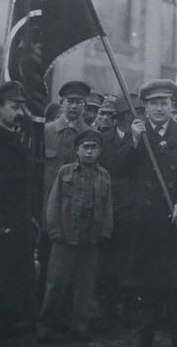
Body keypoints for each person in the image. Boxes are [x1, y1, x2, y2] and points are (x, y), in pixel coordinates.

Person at [118, 79, 177, 347]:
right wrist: (134, 142)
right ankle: (144, 337)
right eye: (154, 103)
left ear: (172, 106)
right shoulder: (137, 134)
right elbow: (118, 168)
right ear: (145, 107)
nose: (159, 108)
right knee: (145, 287)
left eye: (164, 103)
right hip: (146, 223)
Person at [38, 130, 113, 342]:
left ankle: (79, 325)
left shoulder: (104, 175)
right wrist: (54, 231)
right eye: (85, 147)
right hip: (65, 237)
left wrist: (105, 231)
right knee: (56, 283)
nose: (89, 152)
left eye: (94, 148)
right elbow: (53, 202)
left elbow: (108, 206)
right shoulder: (65, 172)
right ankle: (47, 324)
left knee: (85, 286)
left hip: (90, 239)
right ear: (77, 150)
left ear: (99, 151)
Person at [0, 81, 36, 346]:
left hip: (16, 226)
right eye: (14, 107)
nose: (19, 113)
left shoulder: (10, 137)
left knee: (10, 287)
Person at [41, 81, 94, 299]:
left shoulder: (92, 135)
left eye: (79, 102)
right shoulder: (46, 132)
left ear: (84, 105)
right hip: (47, 213)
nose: (74, 106)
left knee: (74, 272)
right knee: (45, 264)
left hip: (78, 215)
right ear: (61, 103)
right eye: (70, 101)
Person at [96, 94, 144, 328]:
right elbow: (114, 167)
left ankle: (130, 310)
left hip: (135, 208)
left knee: (132, 262)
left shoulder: (146, 139)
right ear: (120, 118)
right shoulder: (104, 139)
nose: (132, 119)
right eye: (128, 115)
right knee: (108, 263)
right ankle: (107, 312)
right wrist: (133, 143)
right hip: (110, 207)